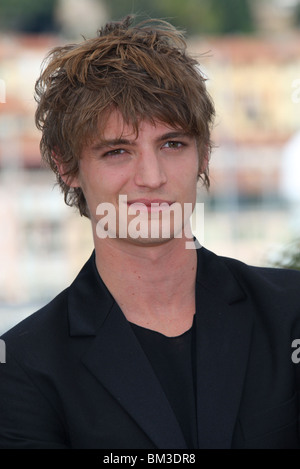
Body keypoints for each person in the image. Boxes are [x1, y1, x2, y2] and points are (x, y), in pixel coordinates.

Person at [0, 15, 300, 450]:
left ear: (203, 155)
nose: (152, 176)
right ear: (68, 168)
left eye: (172, 144)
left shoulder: (290, 313)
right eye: (118, 151)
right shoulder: (24, 366)